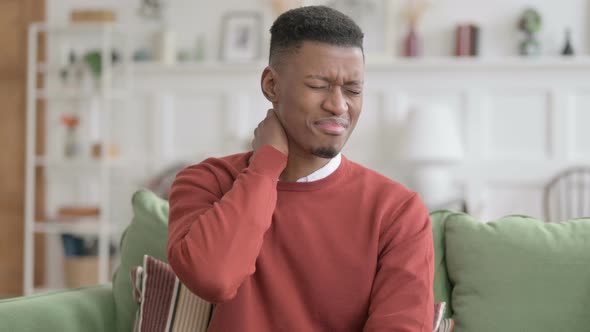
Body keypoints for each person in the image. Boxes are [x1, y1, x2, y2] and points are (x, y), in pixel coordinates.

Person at [168, 5, 434, 331]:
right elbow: (213, 278)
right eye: (319, 85)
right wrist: (266, 166)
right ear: (271, 85)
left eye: (353, 89)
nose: (339, 105)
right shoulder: (206, 182)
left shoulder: (397, 211)